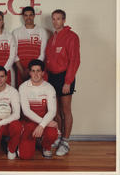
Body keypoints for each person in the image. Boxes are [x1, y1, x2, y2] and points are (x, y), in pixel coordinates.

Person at [45, 9, 80, 156]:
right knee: (55, 111)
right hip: (52, 77)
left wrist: (68, 81)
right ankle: (58, 137)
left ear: (64, 20)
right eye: (53, 19)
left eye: (58, 19)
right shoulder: (52, 38)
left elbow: (75, 60)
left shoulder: (71, 37)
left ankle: (65, 141)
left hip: (65, 77)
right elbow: (48, 61)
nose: (55, 22)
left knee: (66, 110)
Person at [18, 59, 58, 159]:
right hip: (29, 122)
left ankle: (46, 146)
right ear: (29, 72)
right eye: (33, 71)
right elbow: (26, 111)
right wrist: (43, 124)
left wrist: (42, 125)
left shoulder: (49, 87)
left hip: (44, 120)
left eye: (38, 71)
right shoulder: (23, 87)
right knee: (25, 156)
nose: (36, 74)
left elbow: (52, 111)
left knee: (53, 133)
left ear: (43, 73)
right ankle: (30, 141)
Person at [13, 6, 49, 88]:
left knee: (38, 94)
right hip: (22, 68)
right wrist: (22, 71)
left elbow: (43, 53)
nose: (28, 17)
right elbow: (14, 54)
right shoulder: (16, 32)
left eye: (30, 15)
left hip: (37, 69)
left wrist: (33, 70)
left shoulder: (41, 31)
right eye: (26, 15)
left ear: (34, 16)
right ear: (23, 16)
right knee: (22, 93)